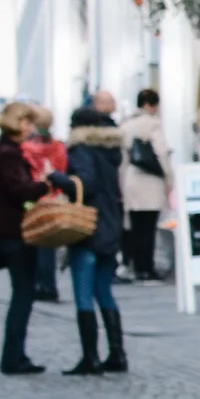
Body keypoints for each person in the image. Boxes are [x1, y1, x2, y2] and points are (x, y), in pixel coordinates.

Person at [60, 102, 131, 374]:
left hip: (87, 227)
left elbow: (85, 185)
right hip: (110, 226)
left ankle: (90, 357)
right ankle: (117, 354)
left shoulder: (81, 149)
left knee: (83, 294)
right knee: (104, 291)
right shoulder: (110, 151)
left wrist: (55, 177)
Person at [0, 101, 53, 374]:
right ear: (19, 123)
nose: (31, 128)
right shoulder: (8, 155)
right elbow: (20, 190)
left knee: (23, 293)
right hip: (13, 233)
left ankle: (15, 355)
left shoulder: (4, 151)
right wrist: (44, 184)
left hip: (8, 231)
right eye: (29, 122)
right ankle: (13, 357)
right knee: (23, 294)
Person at [120, 87, 174, 281]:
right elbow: (161, 153)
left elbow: (122, 159)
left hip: (131, 180)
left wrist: (121, 184)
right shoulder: (154, 125)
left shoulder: (126, 125)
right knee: (149, 228)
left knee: (135, 227)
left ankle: (137, 266)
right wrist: (169, 178)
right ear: (152, 105)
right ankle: (147, 268)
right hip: (151, 181)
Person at [22, 106, 66, 302]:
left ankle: (38, 283)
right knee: (48, 244)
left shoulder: (25, 148)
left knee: (33, 242)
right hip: (54, 198)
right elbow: (62, 170)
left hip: (33, 198)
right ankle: (49, 284)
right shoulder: (58, 146)